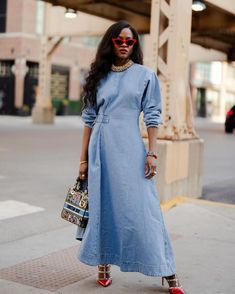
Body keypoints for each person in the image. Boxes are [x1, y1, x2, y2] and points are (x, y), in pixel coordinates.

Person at [77, 20, 185, 294]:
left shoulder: (145, 75)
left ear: (135, 45)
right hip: (100, 147)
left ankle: (166, 270)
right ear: (110, 43)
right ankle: (103, 264)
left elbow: (152, 115)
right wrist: (83, 160)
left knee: (144, 209)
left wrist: (152, 152)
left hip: (130, 147)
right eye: (119, 40)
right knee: (103, 205)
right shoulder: (98, 76)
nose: (125, 44)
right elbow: (89, 119)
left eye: (130, 41)